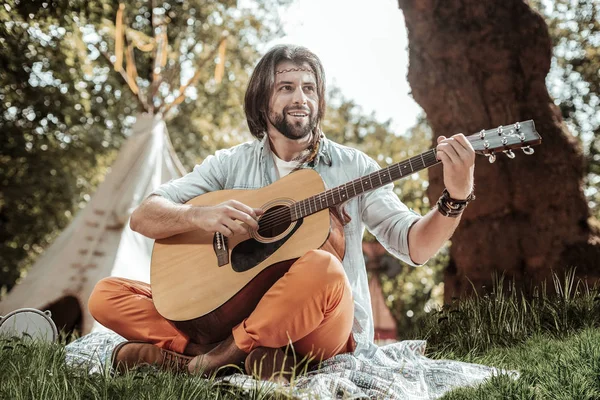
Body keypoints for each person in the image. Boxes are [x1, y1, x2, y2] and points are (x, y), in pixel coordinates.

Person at [88, 44, 475, 381]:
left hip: (323, 326)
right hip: (232, 315)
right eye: (286, 88)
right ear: (262, 100)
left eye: (309, 89)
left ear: (320, 101)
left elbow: (415, 247)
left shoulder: (355, 167)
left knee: (322, 267)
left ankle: (213, 358)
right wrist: (200, 217)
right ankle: (227, 357)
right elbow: (144, 215)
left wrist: (455, 197)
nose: (300, 98)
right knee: (107, 294)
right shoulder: (228, 164)